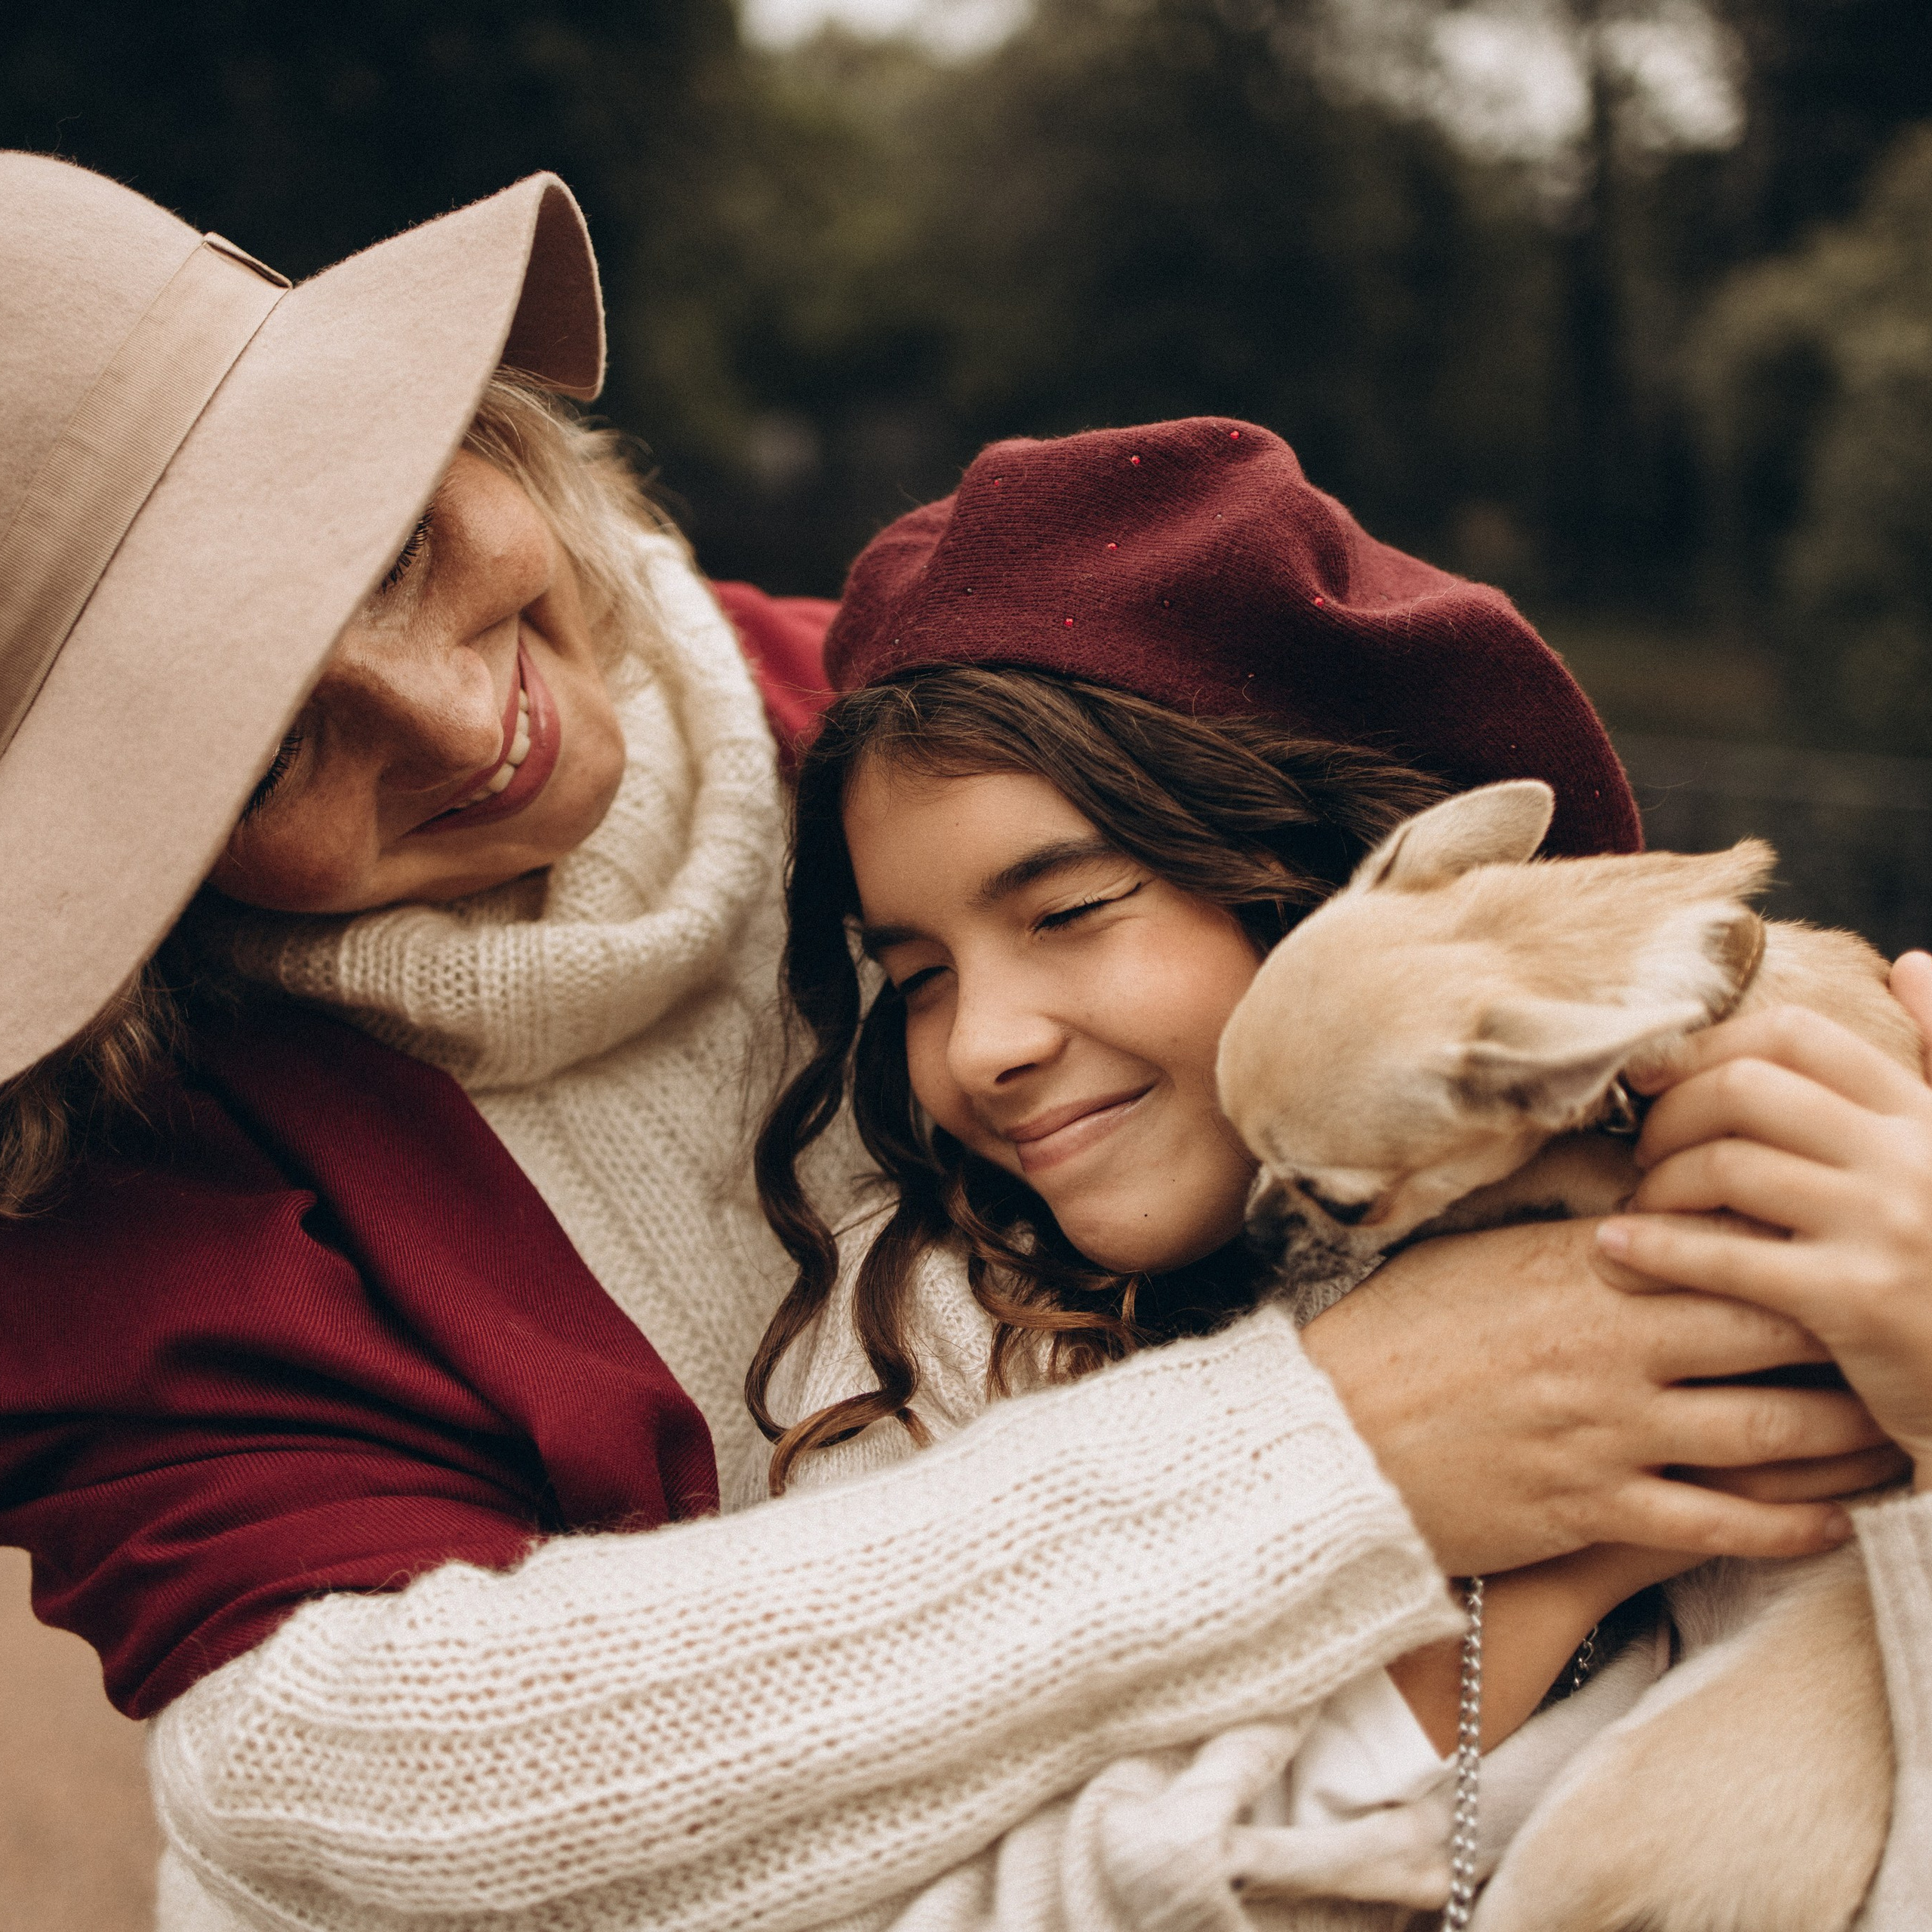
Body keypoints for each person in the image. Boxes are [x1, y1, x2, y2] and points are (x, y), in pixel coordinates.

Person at [0, 152, 1904, 1932]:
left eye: (398, 543)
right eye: (262, 747)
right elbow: (328, 1788)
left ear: (472, 422)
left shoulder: (936, 715)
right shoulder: (122, 1175)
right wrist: (1355, 1449)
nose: (451, 713)